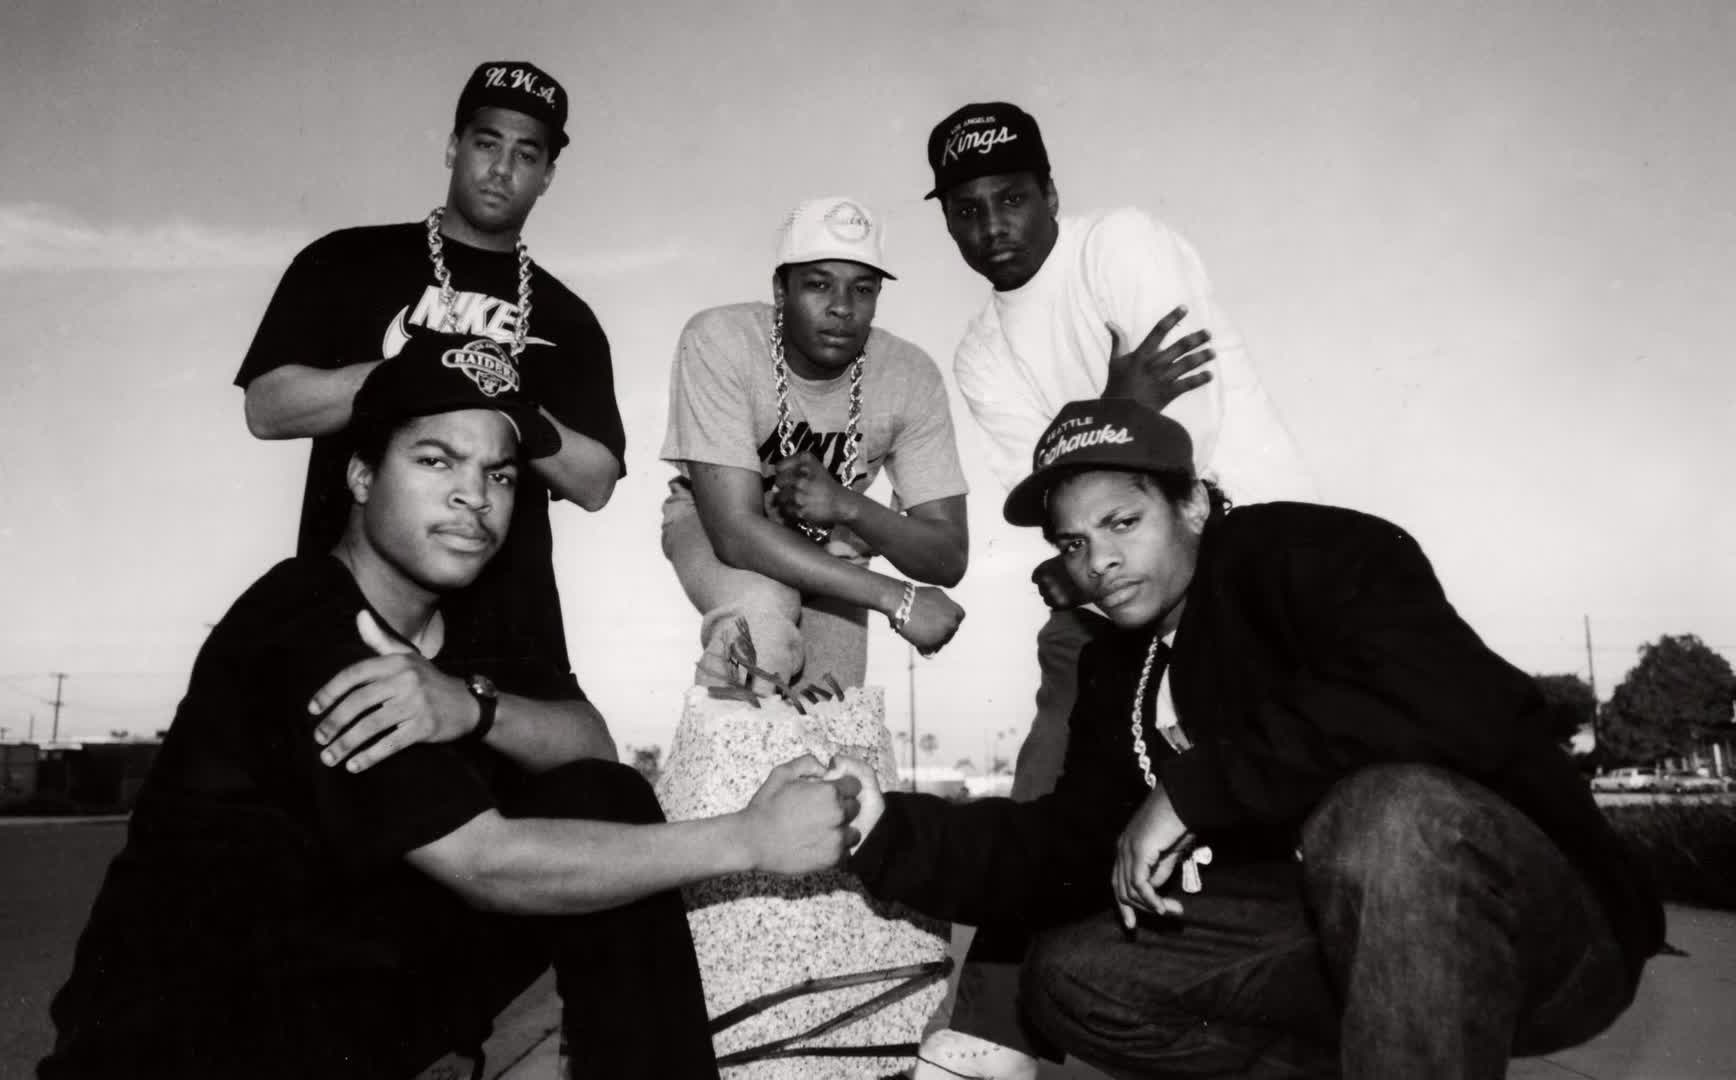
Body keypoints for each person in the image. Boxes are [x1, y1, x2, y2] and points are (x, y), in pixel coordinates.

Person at [43, 334, 864, 1079]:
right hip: (174, 1046)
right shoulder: (304, 621)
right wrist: (749, 837)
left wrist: (470, 706)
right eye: (436, 462)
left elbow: (592, 749)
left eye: (498, 474)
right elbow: (484, 864)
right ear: (362, 476)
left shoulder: (466, 624)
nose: (474, 497)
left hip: (329, 1017)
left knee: (603, 798)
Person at [832, 398, 1664, 1079]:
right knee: (1078, 974)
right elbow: (1070, 842)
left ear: (1192, 503)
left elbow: (1450, 697)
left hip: (1548, 928)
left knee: (1388, 811)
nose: (1100, 563)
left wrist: (1197, 787)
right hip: (1356, 949)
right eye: (1075, 543)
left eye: (1123, 522)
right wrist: (889, 827)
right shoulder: (1118, 665)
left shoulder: (1306, 551)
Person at [918, 100, 1317, 1073]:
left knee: (1305, 807)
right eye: (966, 209)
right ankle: (987, 1041)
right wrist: (1123, 403)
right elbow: (1073, 505)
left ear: (1052, 192)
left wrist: (1109, 428)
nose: (993, 227)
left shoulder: (1119, 246)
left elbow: (1185, 460)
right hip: (1123, 587)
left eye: (1012, 199)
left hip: (1253, 554)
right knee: (1052, 789)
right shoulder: (980, 350)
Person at [235, 59, 621, 697]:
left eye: (527, 154)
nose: (501, 169)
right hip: (356, 608)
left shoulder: (568, 318)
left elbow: (597, 481)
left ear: (548, 175)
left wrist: (512, 401)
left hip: (509, 629)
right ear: (453, 146)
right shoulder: (345, 260)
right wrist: (414, 373)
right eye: (486, 143)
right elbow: (268, 407)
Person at [659, 196, 970, 692]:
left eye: (862, 289)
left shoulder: (910, 374)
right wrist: (898, 598)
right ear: (781, 289)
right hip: (716, 517)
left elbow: (947, 556)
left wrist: (848, 506)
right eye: (819, 283)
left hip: (833, 538)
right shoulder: (721, 337)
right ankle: (720, 768)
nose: (842, 308)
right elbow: (735, 532)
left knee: (828, 723)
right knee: (760, 621)